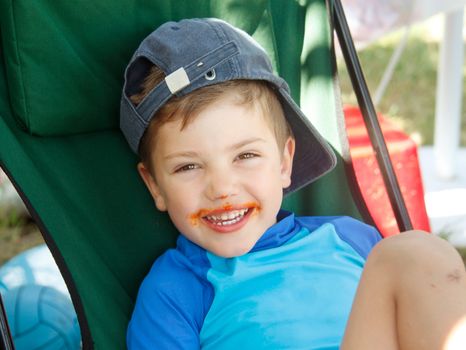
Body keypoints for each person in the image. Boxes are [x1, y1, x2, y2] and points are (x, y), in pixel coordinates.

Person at [119, 18, 466, 350]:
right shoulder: (176, 288)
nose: (222, 188)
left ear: (285, 162)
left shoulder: (348, 238)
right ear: (155, 187)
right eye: (189, 166)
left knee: (416, 254)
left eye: (245, 156)